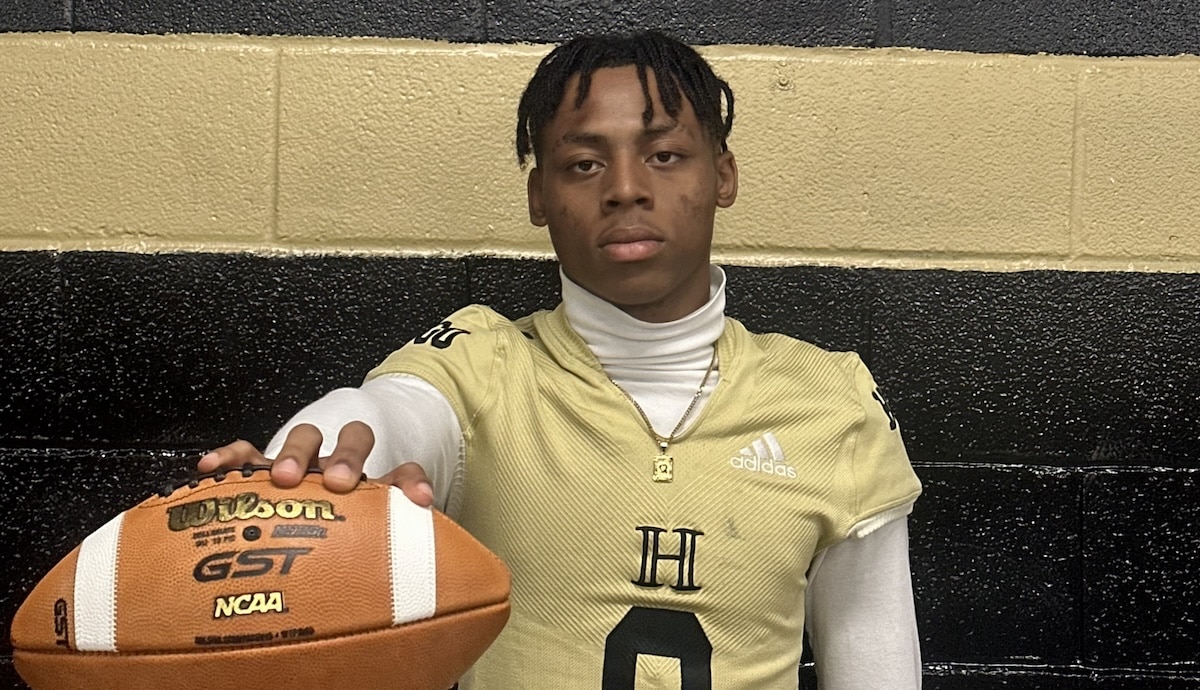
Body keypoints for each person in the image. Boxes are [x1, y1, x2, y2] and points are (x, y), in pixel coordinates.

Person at [200, 30, 923, 689]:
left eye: (665, 155)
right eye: (583, 164)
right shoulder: (483, 364)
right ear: (539, 195)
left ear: (723, 176)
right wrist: (310, 473)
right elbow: (389, 412)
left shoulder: (832, 402)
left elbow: (877, 668)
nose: (626, 189)